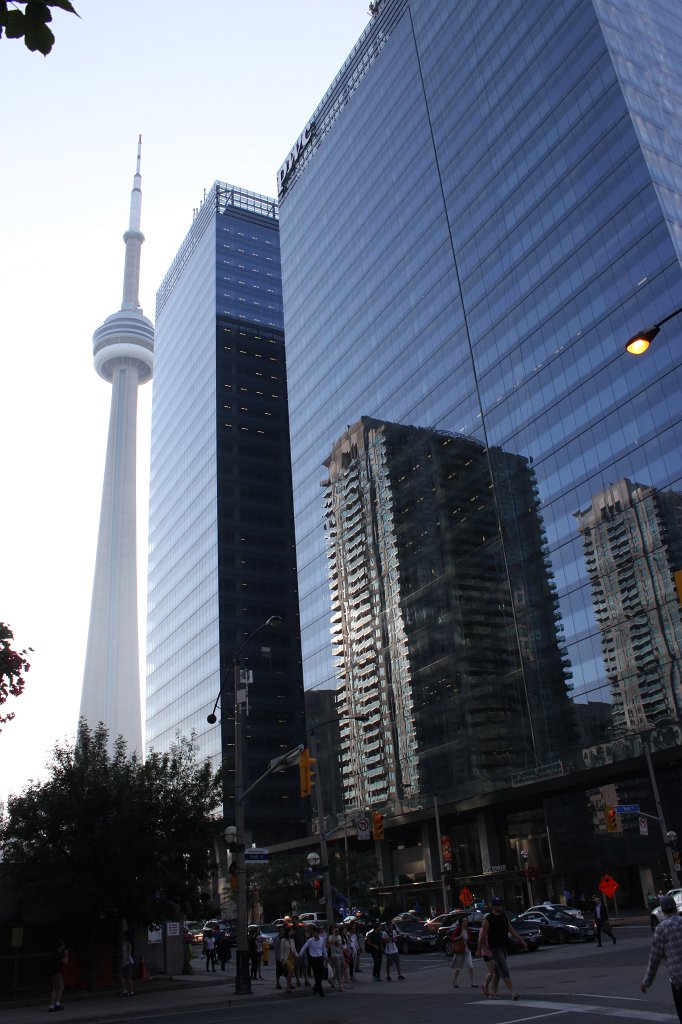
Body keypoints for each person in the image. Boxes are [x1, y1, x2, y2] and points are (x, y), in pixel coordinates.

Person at [641, 894, 682, 1022]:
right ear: (675, 907)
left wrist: (647, 981)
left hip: (678, 980)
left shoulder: (661, 929)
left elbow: (654, 959)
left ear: (663, 910)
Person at [476, 897, 525, 1000]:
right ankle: (513, 992)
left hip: (504, 945)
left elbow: (511, 930)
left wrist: (521, 940)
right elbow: (482, 936)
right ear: (493, 906)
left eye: (500, 904)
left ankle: (493, 991)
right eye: (497, 905)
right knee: (503, 968)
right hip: (495, 947)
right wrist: (478, 949)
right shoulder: (488, 919)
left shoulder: (504, 917)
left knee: (498, 970)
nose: (500, 906)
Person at [298, 923, 328, 996]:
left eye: (316, 933)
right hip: (313, 959)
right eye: (313, 933)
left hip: (320, 958)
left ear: (318, 933)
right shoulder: (310, 940)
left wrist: (325, 956)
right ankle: (321, 991)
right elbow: (304, 947)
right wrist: (300, 955)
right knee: (316, 975)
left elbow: (323, 948)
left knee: (321, 975)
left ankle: (315, 987)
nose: (315, 934)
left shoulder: (321, 940)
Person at [451, 915, 476, 988]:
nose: (465, 922)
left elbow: (469, 940)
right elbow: (452, 939)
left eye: (466, 920)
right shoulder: (458, 929)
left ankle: (472, 982)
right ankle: (455, 981)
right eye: (464, 921)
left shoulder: (468, 930)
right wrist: (460, 937)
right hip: (460, 950)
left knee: (470, 966)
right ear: (461, 922)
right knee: (458, 967)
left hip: (467, 949)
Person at [48, 940, 68, 1012]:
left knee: (59, 988)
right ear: (60, 946)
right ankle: (52, 1006)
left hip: (53, 973)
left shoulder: (52, 954)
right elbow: (66, 961)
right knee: (56, 989)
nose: (63, 947)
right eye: (62, 945)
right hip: (57, 974)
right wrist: (66, 954)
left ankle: (56, 1004)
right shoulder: (60, 954)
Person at [279, 925, 297, 992]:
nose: (292, 932)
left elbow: (294, 949)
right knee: (291, 970)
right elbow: (282, 951)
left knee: (291, 972)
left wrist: (297, 956)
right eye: (291, 931)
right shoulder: (283, 940)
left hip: (292, 958)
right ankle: (288, 986)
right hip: (286, 959)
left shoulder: (292, 940)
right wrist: (282, 960)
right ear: (288, 932)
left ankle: (289, 984)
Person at [120, 930, 135, 996]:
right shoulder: (124, 943)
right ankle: (125, 991)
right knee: (123, 977)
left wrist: (125, 961)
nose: (123, 937)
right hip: (124, 961)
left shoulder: (128, 943)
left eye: (124, 935)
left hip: (128, 962)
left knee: (128, 977)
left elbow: (129, 953)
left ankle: (131, 992)